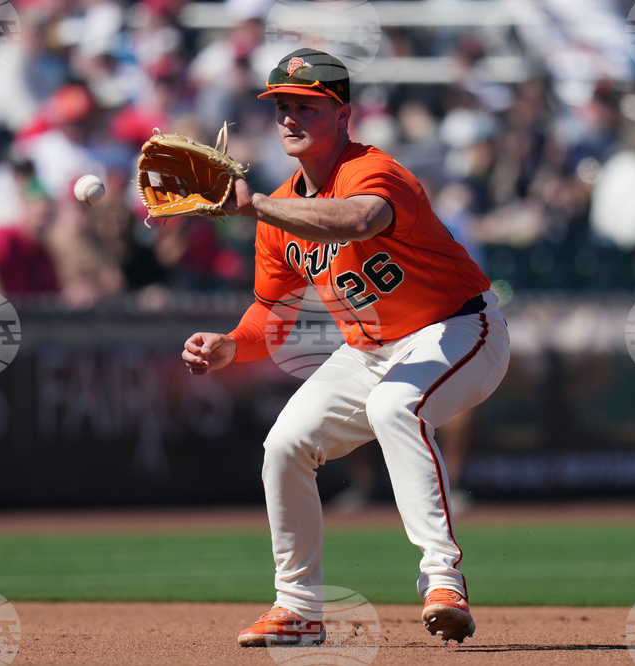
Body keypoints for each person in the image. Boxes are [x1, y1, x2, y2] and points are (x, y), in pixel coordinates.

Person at [181, 48, 511, 646]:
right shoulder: (277, 211)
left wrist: (253, 204)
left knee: (393, 407)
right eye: (282, 106)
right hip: (372, 349)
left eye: (307, 106)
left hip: (460, 329)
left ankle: (443, 580)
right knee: (284, 445)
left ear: (343, 115)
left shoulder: (374, 170)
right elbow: (271, 316)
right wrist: (231, 345)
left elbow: (358, 221)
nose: (289, 118)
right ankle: (299, 608)